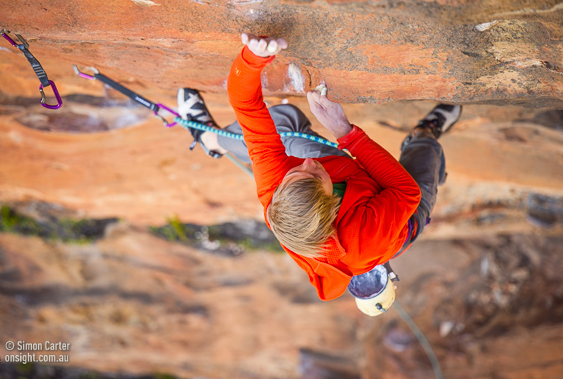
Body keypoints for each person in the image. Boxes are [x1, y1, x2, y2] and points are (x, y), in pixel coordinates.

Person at [174, 33, 462, 301]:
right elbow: (405, 190)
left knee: (283, 122)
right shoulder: (367, 238)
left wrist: (253, 57)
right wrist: (346, 133)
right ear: (333, 204)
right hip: (399, 217)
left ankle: (211, 140)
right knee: (425, 150)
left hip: (338, 180)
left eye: (298, 171)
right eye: (313, 173)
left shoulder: (276, 188)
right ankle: (426, 131)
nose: (309, 163)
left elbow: (247, 106)